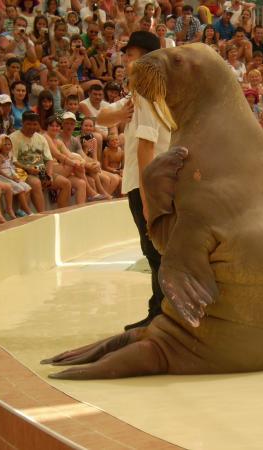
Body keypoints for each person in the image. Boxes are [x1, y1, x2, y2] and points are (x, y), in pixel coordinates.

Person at [96, 31, 169, 330]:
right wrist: (122, 112)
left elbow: (146, 146)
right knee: (153, 250)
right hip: (145, 181)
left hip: (147, 183)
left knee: (156, 251)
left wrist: (149, 197)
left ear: (147, 58)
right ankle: (159, 309)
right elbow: (101, 117)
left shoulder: (148, 92)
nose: (125, 59)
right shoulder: (141, 92)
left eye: (131, 54)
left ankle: (162, 313)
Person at [9, 111, 72, 212]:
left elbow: (49, 159)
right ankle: (42, 215)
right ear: (22, 123)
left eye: (34, 124)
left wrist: (50, 175)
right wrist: (29, 169)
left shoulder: (41, 138)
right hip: (21, 171)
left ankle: (62, 213)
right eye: (28, 124)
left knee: (66, 183)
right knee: (36, 183)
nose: (32, 127)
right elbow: (13, 161)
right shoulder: (13, 137)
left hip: (40, 171)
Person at [0, 135, 33, 217]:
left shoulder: (9, 155)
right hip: (3, 177)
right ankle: (28, 211)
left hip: (11, 176)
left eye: (9, 144)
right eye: (5, 144)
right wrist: (11, 178)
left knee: (28, 188)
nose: (7, 146)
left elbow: (11, 167)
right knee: (21, 189)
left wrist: (16, 176)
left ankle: (21, 210)